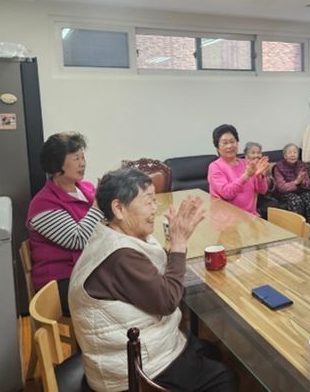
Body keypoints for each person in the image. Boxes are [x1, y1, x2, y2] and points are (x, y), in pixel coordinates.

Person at [69, 168, 236, 392]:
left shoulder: (111, 234)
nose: (155, 209)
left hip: (125, 351)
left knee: (209, 350)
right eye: (148, 201)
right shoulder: (121, 257)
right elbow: (167, 301)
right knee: (225, 378)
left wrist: (174, 245)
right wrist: (178, 243)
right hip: (130, 373)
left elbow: (158, 280)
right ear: (119, 208)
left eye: (154, 200)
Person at [26, 132, 103, 316]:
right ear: (56, 165)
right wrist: (99, 204)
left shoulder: (87, 189)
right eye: (76, 158)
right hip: (61, 281)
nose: (82, 163)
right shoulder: (43, 204)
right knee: (123, 293)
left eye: (83, 157)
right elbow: (77, 239)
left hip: (87, 270)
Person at [208, 124, 269, 215]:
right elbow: (227, 193)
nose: (230, 146)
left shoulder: (246, 163)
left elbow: (262, 190)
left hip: (250, 216)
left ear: (237, 143)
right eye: (225, 143)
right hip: (228, 219)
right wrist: (246, 176)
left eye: (232, 141)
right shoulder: (215, 166)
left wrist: (260, 176)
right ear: (217, 147)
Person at [273, 143, 310, 236]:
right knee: (296, 200)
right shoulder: (278, 167)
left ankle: (309, 228)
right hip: (285, 193)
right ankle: (297, 230)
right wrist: (296, 182)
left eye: (295, 152)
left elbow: (308, 185)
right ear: (284, 155)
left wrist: (302, 182)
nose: (292, 155)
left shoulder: (301, 165)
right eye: (289, 152)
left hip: (300, 191)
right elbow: (281, 187)